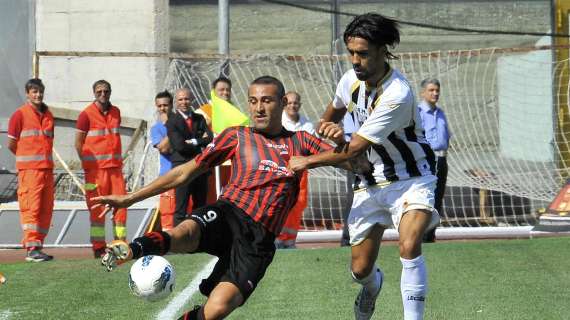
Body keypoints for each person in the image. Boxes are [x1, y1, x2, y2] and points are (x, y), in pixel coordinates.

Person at [92, 76, 355, 320]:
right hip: (229, 213)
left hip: (258, 241)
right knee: (185, 231)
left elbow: (353, 161)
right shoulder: (237, 136)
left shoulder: (300, 141)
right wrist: (130, 198)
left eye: (267, 100)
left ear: (283, 103)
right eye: (253, 101)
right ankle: (134, 248)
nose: (258, 108)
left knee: (217, 309)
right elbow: (184, 172)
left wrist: (332, 145)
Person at [288, 13, 439, 320]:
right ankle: (372, 287)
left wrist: (306, 162)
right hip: (369, 182)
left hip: (411, 179)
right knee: (359, 270)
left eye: (363, 53)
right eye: (351, 52)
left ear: (384, 51)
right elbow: (328, 119)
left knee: (409, 244)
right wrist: (328, 127)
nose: (355, 60)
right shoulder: (350, 80)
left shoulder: (398, 93)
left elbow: (355, 147)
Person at [75, 80, 128, 258]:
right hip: (95, 173)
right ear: (94, 92)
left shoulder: (116, 112)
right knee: (97, 210)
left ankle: (120, 244)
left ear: (110, 92)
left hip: (115, 170)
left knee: (121, 208)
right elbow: (78, 142)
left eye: (106, 91)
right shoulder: (86, 115)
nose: (103, 94)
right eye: (99, 91)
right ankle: (98, 247)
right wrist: (87, 164)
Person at [7, 78, 55, 262]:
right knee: (31, 208)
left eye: (40, 91)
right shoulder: (19, 115)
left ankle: (38, 246)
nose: (38, 95)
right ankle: (31, 247)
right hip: (30, 171)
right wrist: (25, 158)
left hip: (47, 170)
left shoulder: (49, 115)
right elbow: (12, 144)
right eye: (34, 91)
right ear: (27, 94)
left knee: (46, 209)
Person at [166, 88, 213, 226]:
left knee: (200, 206)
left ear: (191, 100)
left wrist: (194, 141)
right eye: (180, 99)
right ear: (176, 102)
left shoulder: (199, 118)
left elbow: (210, 138)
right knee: (181, 206)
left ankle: (200, 238)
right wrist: (200, 141)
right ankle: (178, 241)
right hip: (182, 168)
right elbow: (179, 146)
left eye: (186, 99)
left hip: (199, 167)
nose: (184, 102)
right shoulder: (172, 121)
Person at [275, 91, 315, 249]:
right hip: (282, 169)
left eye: (296, 103)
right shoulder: (278, 121)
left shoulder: (306, 124)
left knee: (299, 203)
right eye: (290, 102)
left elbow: (312, 146)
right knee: (281, 202)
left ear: (300, 104)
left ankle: (290, 239)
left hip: (301, 171)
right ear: (285, 103)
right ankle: (277, 237)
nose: (293, 105)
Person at [418, 78, 451, 243]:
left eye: (437, 90)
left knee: (438, 198)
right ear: (423, 92)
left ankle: (430, 236)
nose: (435, 93)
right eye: (431, 90)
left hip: (441, 159)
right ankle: (421, 237)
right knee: (425, 200)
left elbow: (446, 136)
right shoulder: (418, 113)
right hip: (427, 161)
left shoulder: (441, 113)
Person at [150, 90, 176, 231]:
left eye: (165, 105)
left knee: (186, 209)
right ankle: (169, 242)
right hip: (167, 175)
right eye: (159, 106)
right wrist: (173, 129)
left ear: (171, 105)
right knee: (168, 211)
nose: (162, 109)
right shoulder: (156, 129)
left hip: (184, 172)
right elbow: (163, 148)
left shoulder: (182, 123)